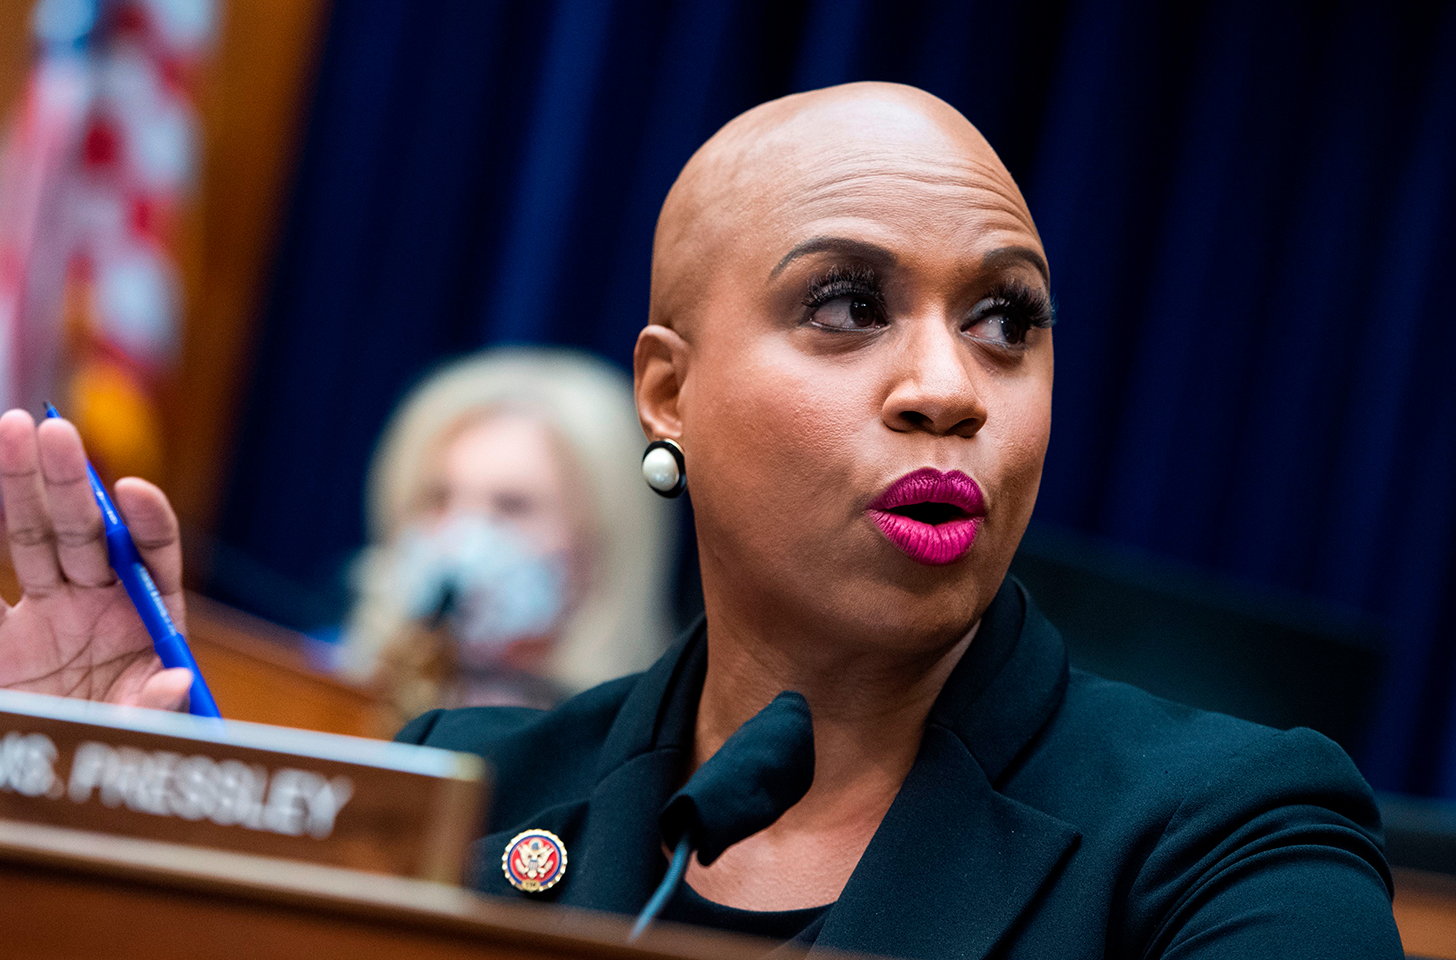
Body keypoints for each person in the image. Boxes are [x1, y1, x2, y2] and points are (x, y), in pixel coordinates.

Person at [0, 82, 1401, 957]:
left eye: (1006, 322)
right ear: (666, 395)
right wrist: (125, 842)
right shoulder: (471, 787)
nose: (946, 387)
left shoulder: (1231, 835)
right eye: (847, 306)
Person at [338, 348, 676, 721]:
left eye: (512, 506)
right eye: (437, 499)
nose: (457, 539)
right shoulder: (317, 686)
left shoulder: (648, 738)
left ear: (607, 537)